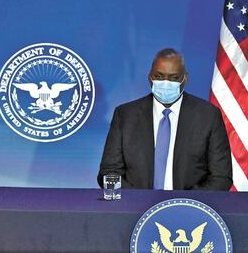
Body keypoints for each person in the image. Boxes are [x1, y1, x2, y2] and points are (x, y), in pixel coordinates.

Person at [97, 48, 231, 190]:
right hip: (136, 203)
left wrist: (185, 201)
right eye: (159, 77)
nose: (166, 83)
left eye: (174, 78)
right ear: (150, 77)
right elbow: (108, 173)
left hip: (188, 203)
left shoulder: (208, 116)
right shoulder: (125, 115)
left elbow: (221, 177)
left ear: (185, 79)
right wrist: (137, 199)